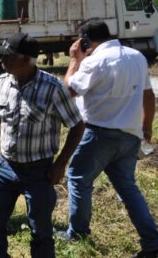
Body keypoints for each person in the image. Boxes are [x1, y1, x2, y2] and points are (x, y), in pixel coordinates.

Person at [0, 32, 84, 258]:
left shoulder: (53, 87)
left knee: (41, 230)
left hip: (39, 172)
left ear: (27, 60)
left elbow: (77, 126)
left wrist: (60, 164)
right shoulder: (2, 82)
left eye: (8, 56)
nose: (1, 60)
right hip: (5, 168)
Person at [59, 19, 158, 256]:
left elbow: (67, 92)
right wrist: (147, 126)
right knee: (127, 188)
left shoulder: (94, 61)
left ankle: (78, 233)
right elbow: (148, 95)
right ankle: (152, 242)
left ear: (84, 41)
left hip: (98, 134)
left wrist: (74, 60)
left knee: (78, 179)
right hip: (130, 135)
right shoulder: (136, 56)